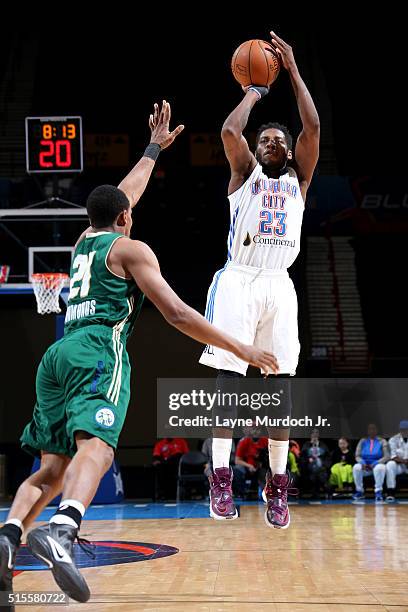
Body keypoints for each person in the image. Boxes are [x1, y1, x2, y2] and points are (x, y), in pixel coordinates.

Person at [0, 101, 279, 604]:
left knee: (51, 467)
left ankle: (7, 537)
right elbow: (176, 314)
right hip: (98, 349)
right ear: (126, 218)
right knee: (99, 448)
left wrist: (153, 148)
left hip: (57, 353)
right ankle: (64, 530)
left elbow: (122, 195)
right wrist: (242, 348)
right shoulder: (132, 249)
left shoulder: (85, 239)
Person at [198, 30, 319, 529]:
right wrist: (255, 88)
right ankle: (221, 480)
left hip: (278, 284)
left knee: (279, 392)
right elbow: (229, 132)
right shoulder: (244, 174)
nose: (272, 143)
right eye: (265, 139)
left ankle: (276, 486)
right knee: (230, 384)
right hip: (239, 281)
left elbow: (312, 124)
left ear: (289, 152)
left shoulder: (299, 179)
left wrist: (291, 71)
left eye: (279, 140)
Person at [352, 424, 389, 502]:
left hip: (377, 464)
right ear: (367, 431)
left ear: (377, 430)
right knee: (356, 467)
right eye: (370, 429)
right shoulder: (362, 441)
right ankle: (360, 491)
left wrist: (376, 463)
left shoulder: (382, 441)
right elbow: (357, 456)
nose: (372, 431)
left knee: (380, 468)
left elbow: (386, 456)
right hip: (365, 465)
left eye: (374, 429)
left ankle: (378, 492)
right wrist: (362, 462)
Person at [300, 429, 331, 498]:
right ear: (310, 436)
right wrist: (308, 460)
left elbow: (328, 458)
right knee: (312, 473)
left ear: (318, 436)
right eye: (313, 434)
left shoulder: (323, 445)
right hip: (308, 468)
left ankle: (324, 493)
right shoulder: (306, 445)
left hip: (321, 468)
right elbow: (302, 458)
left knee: (320, 473)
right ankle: (315, 492)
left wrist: (324, 465)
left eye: (316, 434)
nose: (314, 435)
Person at [385, 420, 408, 502]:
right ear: (400, 429)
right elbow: (393, 456)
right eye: (403, 429)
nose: (405, 431)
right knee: (390, 464)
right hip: (399, 466)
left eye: (406, 429)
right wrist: (404, 461)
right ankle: (390, 492)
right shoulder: (393, 439)